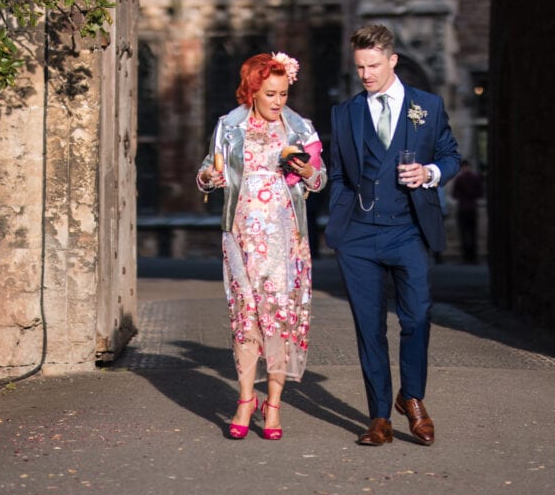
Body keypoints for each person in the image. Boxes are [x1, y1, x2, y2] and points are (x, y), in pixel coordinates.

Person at [324, 24, 461, 446]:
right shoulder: (344, 113)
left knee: (417, 316)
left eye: (373, 65)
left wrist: (429, 173)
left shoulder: (428, 106)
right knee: (369, 327)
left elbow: (451, 155)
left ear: (392, 60)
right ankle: (380, 416)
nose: (365, 74)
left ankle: (412, 396)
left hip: (408, 230)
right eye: (360, 67)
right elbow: (340, 174)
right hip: (359, 236)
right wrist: (340, 223)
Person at [196, 52, 327, 441]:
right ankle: (243, 398)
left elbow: (319, 180)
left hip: (285, 238)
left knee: (276, 316)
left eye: (284, 94)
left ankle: (272, 404)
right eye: (270, 93)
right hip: (240, 234)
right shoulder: (229, 126)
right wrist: (208, 177)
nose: (278, 102)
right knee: (245, 316)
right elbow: (208, 168)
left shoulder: (299, 127)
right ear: (252, 90)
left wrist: (308, 172)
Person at [451, 159, 484, 263]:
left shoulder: (460, 179)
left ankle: (466, 257)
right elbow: (480, 193)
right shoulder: (475, 178)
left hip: (462, 208)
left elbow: (454, 195)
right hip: (472, 207)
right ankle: (473, 257)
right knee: (473, 233)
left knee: (463, 233)